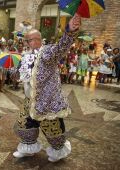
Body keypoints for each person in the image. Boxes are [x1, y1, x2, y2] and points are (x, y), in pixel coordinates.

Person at [13, 13, 81, 162]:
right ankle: (27, 149)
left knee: (54, 131)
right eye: (25, 40)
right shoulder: (26, 55)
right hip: (29, 101)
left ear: (36, 40)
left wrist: (69, 31)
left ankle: (58, 153)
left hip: (47, 102)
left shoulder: (47, 52)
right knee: (25, 126)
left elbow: (61, 47)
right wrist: (14, 73)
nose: (25, 43)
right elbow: (21, 73)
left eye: (28, 40)